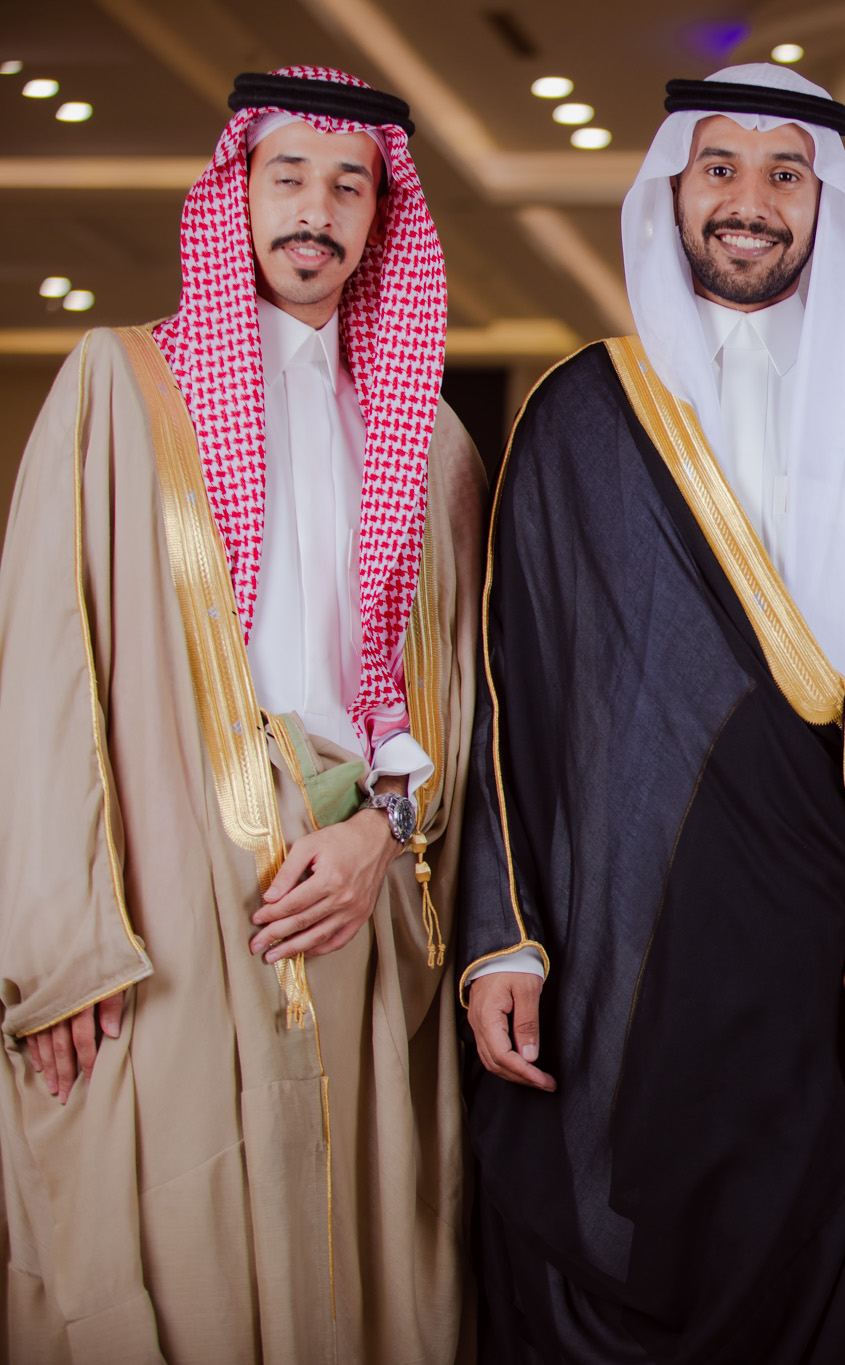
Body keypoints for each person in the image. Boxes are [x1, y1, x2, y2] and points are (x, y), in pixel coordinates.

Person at [456, 64, 845, 1363]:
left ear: (826, 202)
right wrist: (505, 940)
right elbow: (513, 700)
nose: (750, 201)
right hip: (646, 950)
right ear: (672, 187)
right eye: (719, 167)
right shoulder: (583, 414)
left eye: (787, 174)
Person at [0, 67, 481, 1360]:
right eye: (289, 177)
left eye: (349, 186)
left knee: (350, 1250)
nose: (316, 211)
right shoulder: (118, 389)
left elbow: (447, 701)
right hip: (160, 911)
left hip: (356, 905)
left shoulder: (433, 443)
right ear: (238, 190)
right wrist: (59, 950)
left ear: (382, 214)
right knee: (183, 1246)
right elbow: (42, 671)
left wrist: (381, 836)